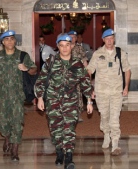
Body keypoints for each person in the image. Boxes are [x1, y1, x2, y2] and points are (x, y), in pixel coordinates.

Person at [35, 34, 93, 169]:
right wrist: (39, 98)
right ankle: (59, 152)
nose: (65, 48)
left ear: (71, 46)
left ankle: (69, 157)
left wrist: (89, 101)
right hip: (53, 102)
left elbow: (85, 82)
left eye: (67, 45)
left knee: (69, 129)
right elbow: (41, 81)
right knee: (56, 130)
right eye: (61, 45)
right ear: (58, 47)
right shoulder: (50, 62)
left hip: (71, 103)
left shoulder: (77, 64)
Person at [0, 30, 37, 161]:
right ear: (2, 42)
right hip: (1, 96)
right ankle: (7, 137)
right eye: (7, 39)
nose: (10, 41)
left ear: (15, 41)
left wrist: (26, 68)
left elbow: (34, 70)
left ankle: (15, 150)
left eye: (12, 39)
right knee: (2, 123)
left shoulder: (23, 56)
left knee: (17, 122)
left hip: (18, 96)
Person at [87, 28, 131, 156]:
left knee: (115, 117)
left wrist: (126, 86)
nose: (110, 41)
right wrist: (90, 88)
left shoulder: (120, 53)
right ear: (103, 40)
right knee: (104, 116)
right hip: (101, 92)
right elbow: (89, 70)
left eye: (111, 38)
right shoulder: (97, 54)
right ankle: (106, 134)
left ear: (114, 39)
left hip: (117, 91)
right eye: (107, 38)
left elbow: (127, 70)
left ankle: (115, 143)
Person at [68, 31, 88, 122]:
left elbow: (84, 62)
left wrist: (86, 74)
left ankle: (78, 114)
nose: (72, 39)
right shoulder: (64, 47)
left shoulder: (80, 48)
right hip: (66, 76)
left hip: (77, 75)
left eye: (74, 37)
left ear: (76, 38)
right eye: (70, 37)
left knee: (78, 94)